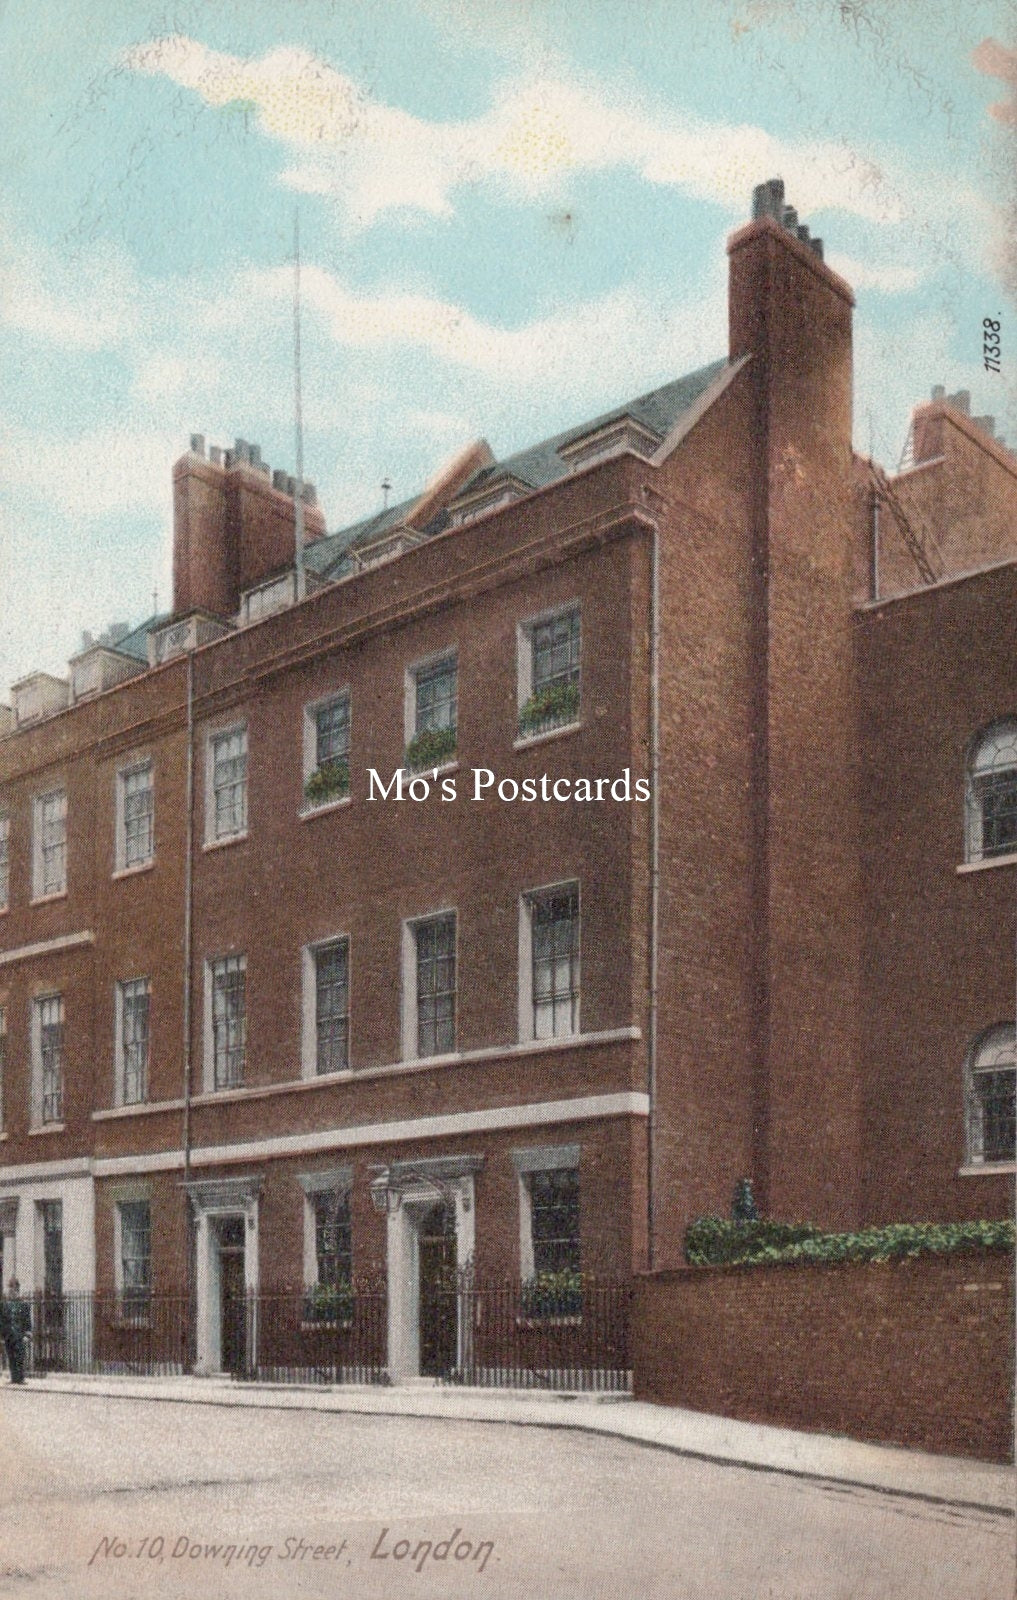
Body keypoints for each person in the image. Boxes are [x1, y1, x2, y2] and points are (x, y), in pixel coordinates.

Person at [1, 1279, 31, 1384]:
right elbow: (2, 1321)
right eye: (9, 1289)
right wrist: (2, 1336)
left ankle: (21, 1379)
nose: (10, 1292)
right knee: (10, 1357)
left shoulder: (24, 1305)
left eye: (13, 1289)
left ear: (17, 1290)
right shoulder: (4, 1305)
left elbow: (27, 1321)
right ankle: (13, 1378)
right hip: (8, 1335)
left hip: (20, 1335)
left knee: (20, 1357)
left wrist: (27, 1334)